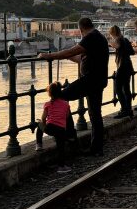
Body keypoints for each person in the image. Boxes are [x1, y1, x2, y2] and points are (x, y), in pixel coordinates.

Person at [38, 17, 110, 156]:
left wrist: (50, 55)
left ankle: (70, 134)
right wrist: (64, 55)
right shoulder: (100, 37)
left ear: (81, 29)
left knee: (61, 96)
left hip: (90, 80)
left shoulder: (91, 37)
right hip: (98, 80)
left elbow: (72, 51)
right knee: (95, 114)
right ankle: (96, 148)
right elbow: (79, 58)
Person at [40, 82, 75, 171]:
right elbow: (66, 117)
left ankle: (38, 144)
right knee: (61, 148)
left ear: (49, 93)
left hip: (50, 128)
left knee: (39, 124)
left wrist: (44, 124)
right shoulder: (66, 104)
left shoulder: (47, 104)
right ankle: (61, 166)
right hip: (61, 129)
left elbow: (43, 118)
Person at [108, 25, 134, 119]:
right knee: (126, 89)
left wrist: (112, 44)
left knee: (118, 88)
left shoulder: (118, 40)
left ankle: (124, 109)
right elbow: (132, 52)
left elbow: (117, 45)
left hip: (122, 66)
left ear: (112, 33)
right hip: (128, 66)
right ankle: (129, 109)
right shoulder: (125, 40)